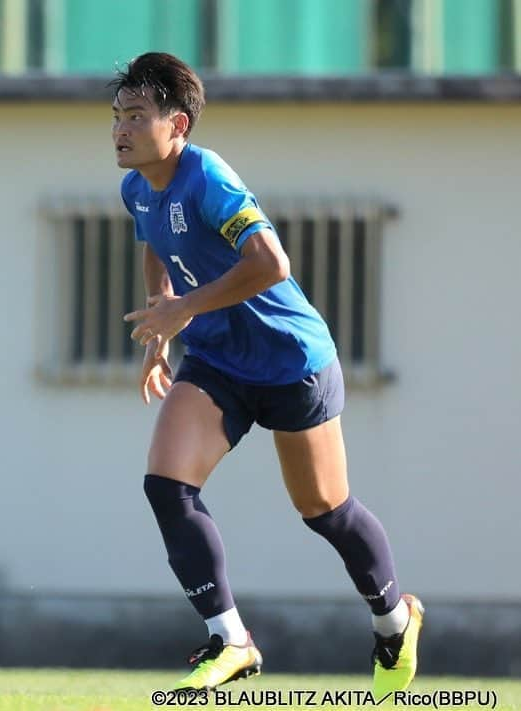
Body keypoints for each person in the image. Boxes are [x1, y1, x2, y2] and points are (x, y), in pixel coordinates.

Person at [112, 52, 422, 695]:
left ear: (179, 125)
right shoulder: (136, 187)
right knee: (166, 485)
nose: (121, 129)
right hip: (218, 360)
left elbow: (272, 263)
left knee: (324, 510)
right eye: (116, 116)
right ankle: (232, 641)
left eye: (137, 116)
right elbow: (154, 242)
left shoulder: (208, 178)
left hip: (290, 362)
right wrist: (160, 333)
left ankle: (395, 623)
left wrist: (184, 308)